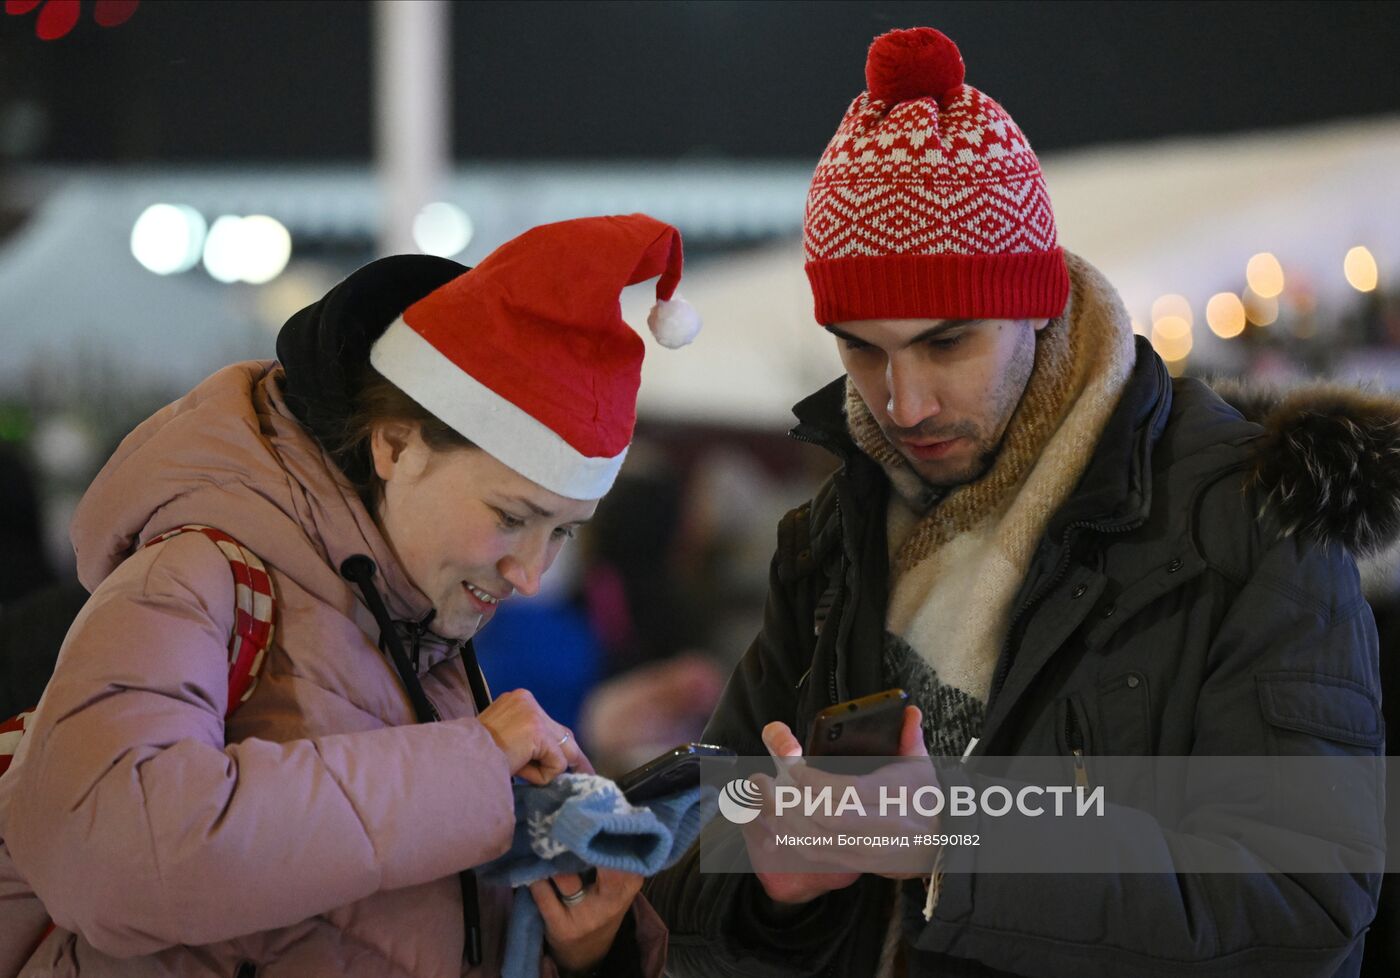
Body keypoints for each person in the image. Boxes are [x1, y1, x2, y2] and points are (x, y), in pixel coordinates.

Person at [645, 27, 1388, 978]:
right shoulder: (834, 534)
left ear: (1035, 304)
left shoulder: (1249, 519)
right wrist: (770, 876)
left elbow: (1305, 896)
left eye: (947, 343)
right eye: (861, 349)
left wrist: (954, 842)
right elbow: (720, 825)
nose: (901, 403)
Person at [0, 213, 702, 977]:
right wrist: (469, 769)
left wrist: (585, 952)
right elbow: (107, 860)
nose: (531, 573)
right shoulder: (195, 576)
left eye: (563, 532)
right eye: (511, 517)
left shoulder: (425, 639)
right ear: (395, 446)